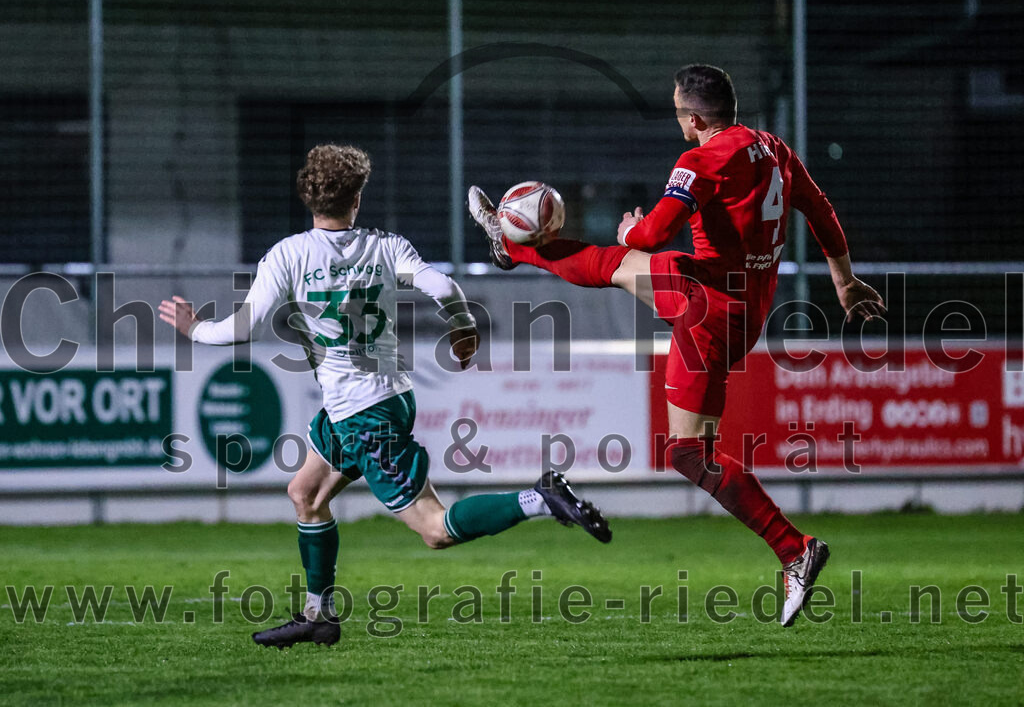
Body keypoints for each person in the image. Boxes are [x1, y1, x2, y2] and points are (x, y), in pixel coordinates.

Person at [469, 64, 884, 627]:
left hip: (707, 304)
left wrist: (630, 231)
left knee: (685, 447)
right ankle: (509, 244)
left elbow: (653, 231)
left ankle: (795, 549)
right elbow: (820, 207)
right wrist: (843, 279)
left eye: (676, 112)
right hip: (745, 308)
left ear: (692, 118)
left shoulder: (701, 159)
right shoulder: (772, 147)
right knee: (616, 271)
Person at [159, 144, 610, 649]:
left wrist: (194, 328)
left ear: (308, 196)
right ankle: (318, 615)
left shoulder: (287, 255)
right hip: (383, 399)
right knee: (305, 494)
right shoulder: (385, 244)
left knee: (434, 529)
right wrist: (462, 326)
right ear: (356, 199)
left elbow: (241, 329)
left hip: (363, 415)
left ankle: (539, 498)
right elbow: (440, 284)